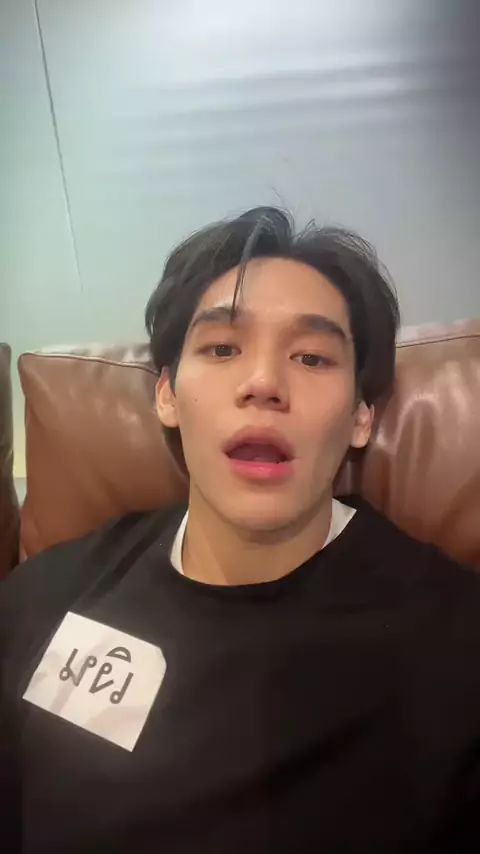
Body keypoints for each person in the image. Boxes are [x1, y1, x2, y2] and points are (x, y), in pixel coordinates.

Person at [1, 207, 479, 853]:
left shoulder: (453, 650)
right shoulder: (47, 595)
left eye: (312, 357)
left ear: (361, 416)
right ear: (167, 395)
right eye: (222, 348)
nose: (263, 383)